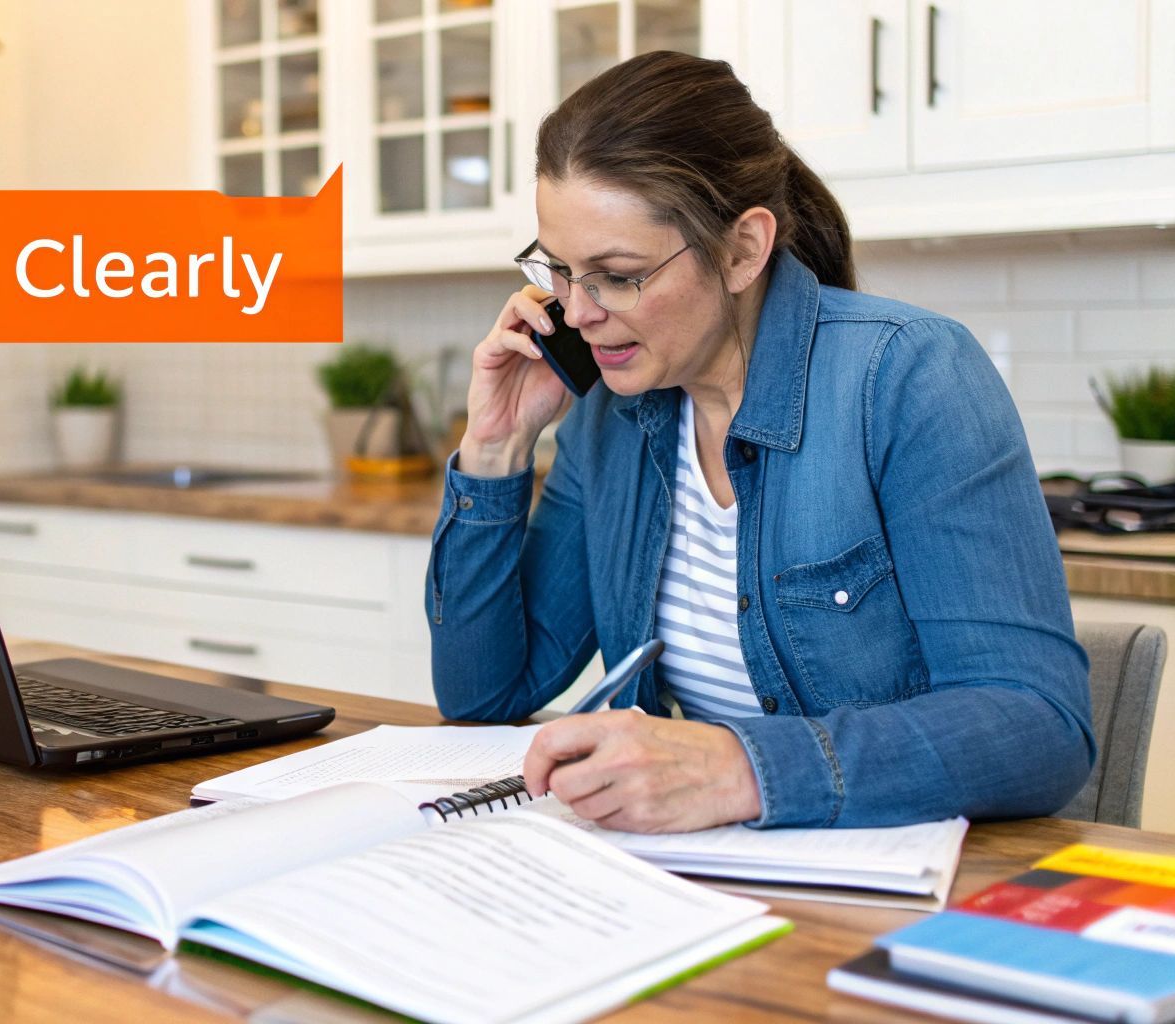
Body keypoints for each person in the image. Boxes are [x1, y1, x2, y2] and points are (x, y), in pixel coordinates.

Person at [427, 51, 1094, 833]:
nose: (576, 313)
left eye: (618, 273)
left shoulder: (907, 374)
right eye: (560, 271)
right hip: (701, 873)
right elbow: (485, 693)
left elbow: (1040, 727)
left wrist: (741, 768)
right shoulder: (615, 412)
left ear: (743, 248)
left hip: (893, 880)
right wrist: (497, 446)